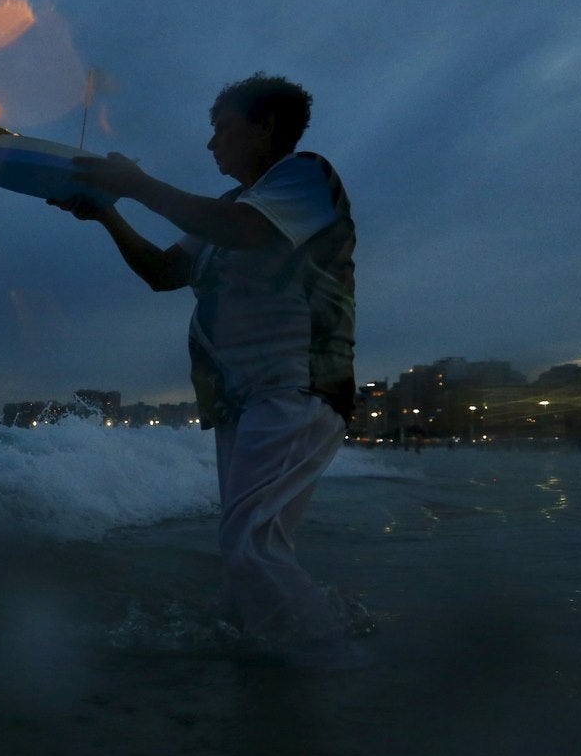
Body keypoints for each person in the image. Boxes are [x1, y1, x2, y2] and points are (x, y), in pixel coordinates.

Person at [49, 73, 359, 653]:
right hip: (241, 400)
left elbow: (243, 232)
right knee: (248, 549)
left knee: (250, 547)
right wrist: (107, 214)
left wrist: (137, 184)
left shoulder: (304, 175)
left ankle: (333, 665)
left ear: (264, 126)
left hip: (297, 386)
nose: (211, 143)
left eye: (222, 128)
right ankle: (274, 658)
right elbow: (164, 273)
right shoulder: (228, 207)